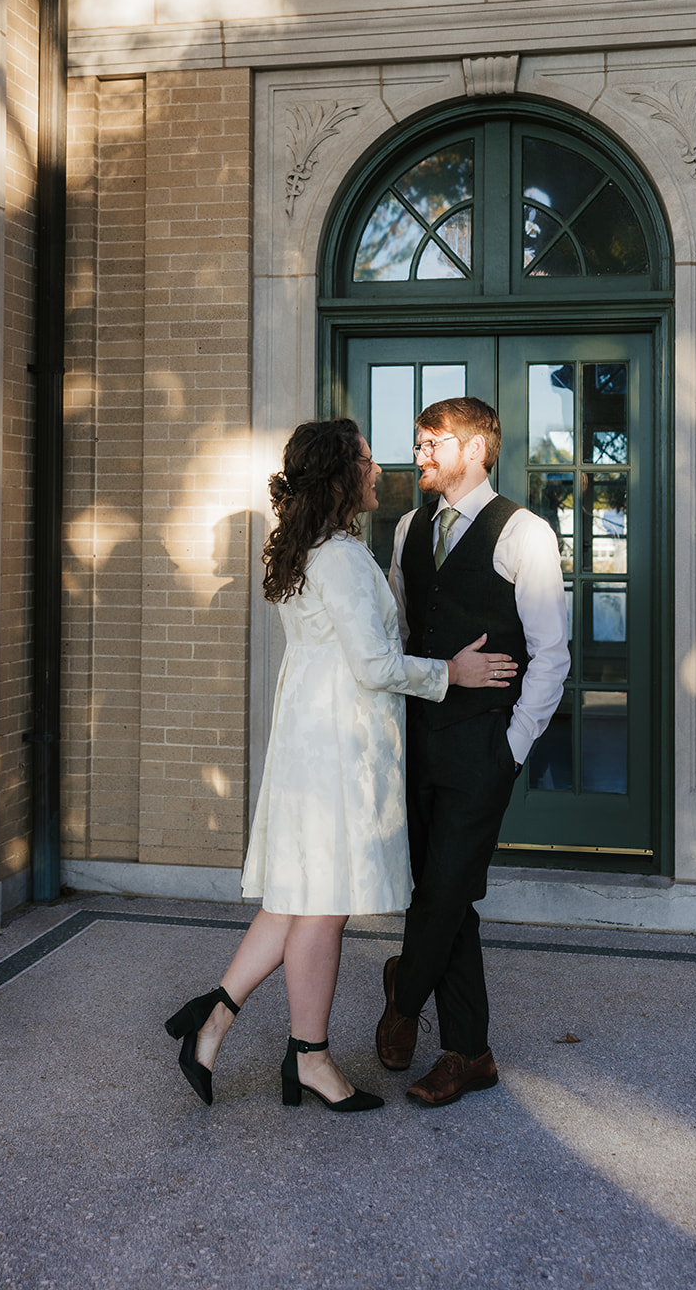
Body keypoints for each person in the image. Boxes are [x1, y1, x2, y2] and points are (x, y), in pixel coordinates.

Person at [165, 418, 518, 1113]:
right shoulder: (342, 558)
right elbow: (374, 664)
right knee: (320, 911)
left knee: (294, 901)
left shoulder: (310, 550)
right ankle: (306, 1060)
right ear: (338, 476)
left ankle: (214, 1022)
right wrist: (454, 670)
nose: (377, 467)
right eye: (363, 459)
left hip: (308, 745)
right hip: (337, 755)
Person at [376, 397, 571, 1107]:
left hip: (482, 745)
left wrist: (511, 747)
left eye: (432, 444)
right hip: (416, 739)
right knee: (445, 896)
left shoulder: (524, 532)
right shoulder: (405, 528)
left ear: (475, 449)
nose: (419, 455)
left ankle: (405, 994)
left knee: (444, 887)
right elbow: (401, 631)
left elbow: (551, 655)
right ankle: (469, 1052)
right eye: (418, 442)